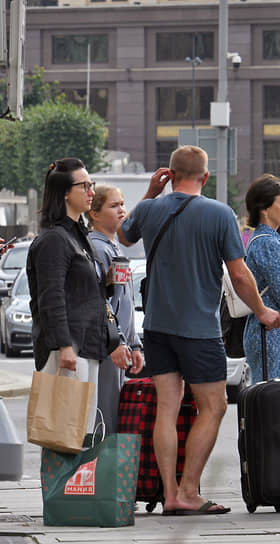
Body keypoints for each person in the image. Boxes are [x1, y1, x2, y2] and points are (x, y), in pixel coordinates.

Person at [119, 146, 280, 515]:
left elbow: (126, 237)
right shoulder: (219, 213)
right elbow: (238, 275)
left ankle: (170, 493)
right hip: (199, 329)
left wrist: (148, 194)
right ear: (205, 177)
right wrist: (262, 311)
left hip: (157, 325)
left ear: (170, 174)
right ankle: (188, 492)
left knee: (167, 408)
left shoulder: (149, 209)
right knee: (214, 405)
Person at [28, 159, 133, 439]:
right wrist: (65, 346)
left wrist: (114, 341)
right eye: (84, 185)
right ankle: (59, 485)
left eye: (92, 185)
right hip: (69, 352)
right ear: (64, 193)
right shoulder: (54, 240)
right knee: (63, 435)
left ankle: (74, 484)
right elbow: (51, 298)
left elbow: (95, 298)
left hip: (88, 349)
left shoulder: (79, 237)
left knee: (82, 435)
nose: (90, 191)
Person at [87, 184, 145, 433]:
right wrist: (120, 342)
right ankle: (98, 471)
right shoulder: (97, 248)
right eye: (114, 205)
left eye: (122, 204)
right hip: (108, 346)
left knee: (112, 414)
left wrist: (134, 344)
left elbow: (123, 303)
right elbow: (103, 303)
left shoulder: (112, 246)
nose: (122, 210)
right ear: (94, 214)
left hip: (118, 346)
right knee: (104, 418)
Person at [242, 173, 280, 382]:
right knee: (272, 404)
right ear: (264, 208)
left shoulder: (265, 240)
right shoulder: (268, 244)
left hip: (266, 333)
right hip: (270, 335)